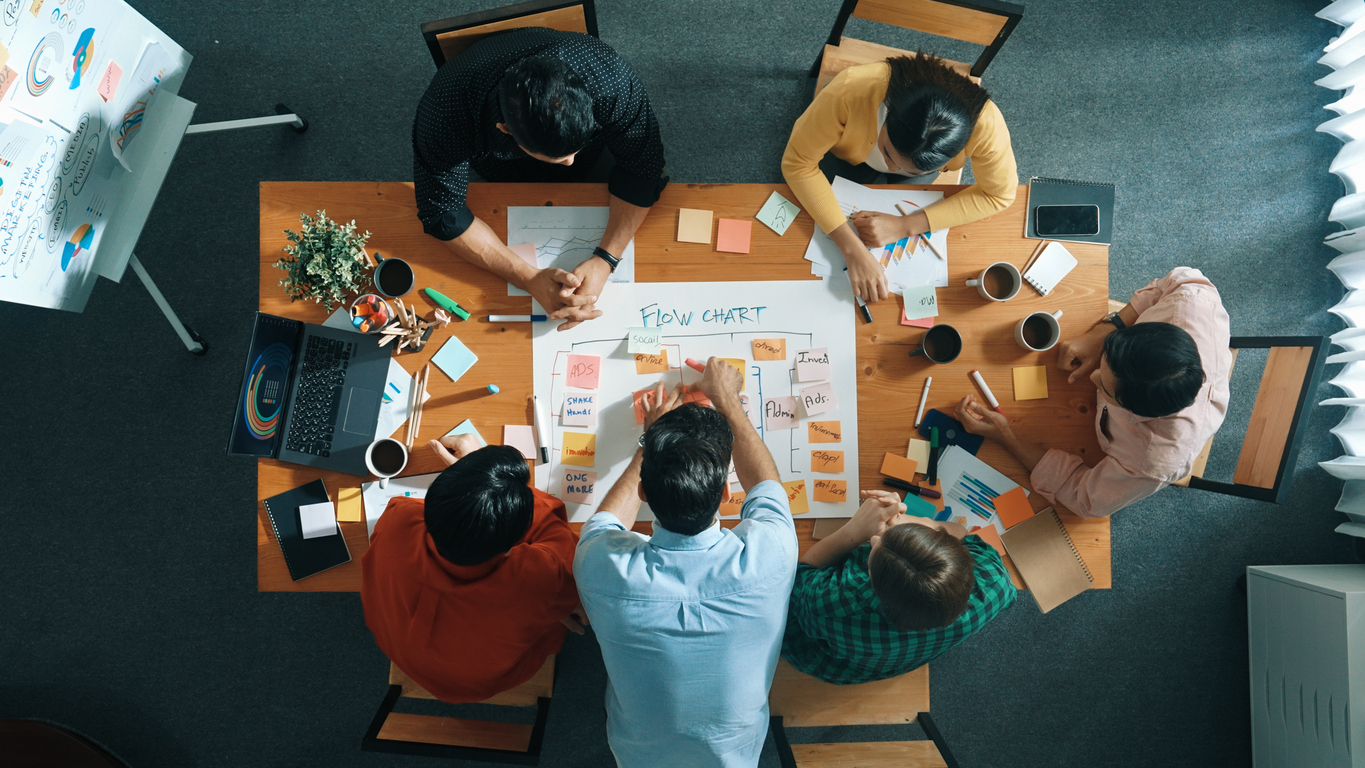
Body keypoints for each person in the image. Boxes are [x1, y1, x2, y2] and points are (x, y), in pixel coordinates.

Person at [574, 363, 798, 768]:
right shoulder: (773, 554)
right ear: (726, 492)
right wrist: (728, 400)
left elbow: (605, 521)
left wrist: (650, 442)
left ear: (644, 490)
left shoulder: (598, 566)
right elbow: (766, 486)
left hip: (636, 754)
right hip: (734, 758)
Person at [412, 27, 668, 331]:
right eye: (559, 159)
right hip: (498, 166)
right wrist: (528, 277)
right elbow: (443, 213)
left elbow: (643, 165)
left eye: (573, 151)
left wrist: (606, 259)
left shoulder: (611, 79)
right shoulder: (447, 114)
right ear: (505, 130)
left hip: (595, 147)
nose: (570, 164)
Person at [955, 267, 1233, 518]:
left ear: (1133, 412)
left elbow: (1084, 498)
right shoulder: (1194, 303)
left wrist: (1006, 436)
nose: (1092, 376)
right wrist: (1105, 331)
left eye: (1105, 387)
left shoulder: (1153, 460)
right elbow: (1176, 280)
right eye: (1107, 362)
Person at [361, 435, 583, 703]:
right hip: (477, 683)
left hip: (398, 645)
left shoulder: (399, 515)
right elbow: (553, 524)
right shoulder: (539, 577)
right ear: (511, 547)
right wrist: (494, 486)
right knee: (566, 618)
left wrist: (473, 478)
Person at [781, 53, 1018, 303]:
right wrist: (852, 249)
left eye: (912, 170)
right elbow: (798, 164)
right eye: (887, 153)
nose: (893, 170)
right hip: (845, 154)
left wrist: (905, 226)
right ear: (887, 113)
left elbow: (999, 195)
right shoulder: (850, 90)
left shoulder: (987, 127)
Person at [781, 490, 1015, 684]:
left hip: (835, 657)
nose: (873, 539)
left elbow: (801, 577)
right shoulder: (995, 579)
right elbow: (961, 533)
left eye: (872, 550)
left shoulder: (835, 604)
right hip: (902, 654)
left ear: (873, 587)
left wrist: (854, 532)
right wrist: (910, 524)